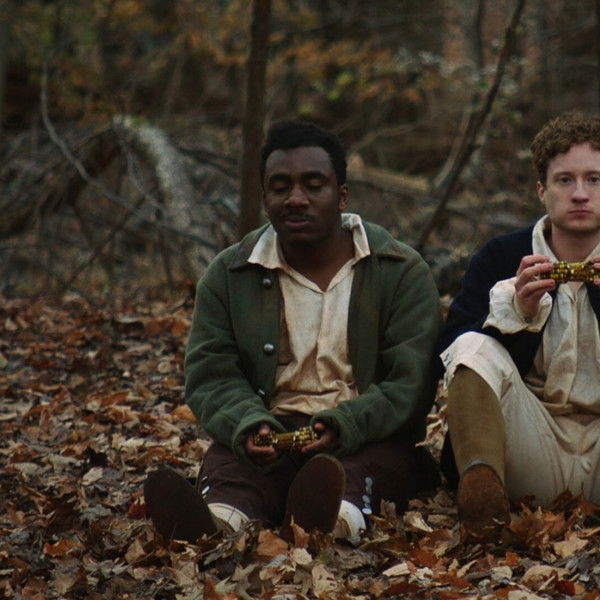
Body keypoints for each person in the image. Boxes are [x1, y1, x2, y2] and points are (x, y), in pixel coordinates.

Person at [144, 119, 442, 544]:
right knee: (233, 476)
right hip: (270, 432)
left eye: (313, 185)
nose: (296, 199)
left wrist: (346, 423)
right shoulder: (229, 273)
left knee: (354, 479)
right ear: (265, 197)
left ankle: (328, 524)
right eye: (280, 187)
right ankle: (214, 527)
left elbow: (410, 383)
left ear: (341, 196)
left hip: (365, 435)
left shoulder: (399, 270)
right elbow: (210, 374)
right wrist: (248, 424)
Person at [439, 111, 600, 542]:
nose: (580, 194)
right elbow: (451, 350)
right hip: (531, 446)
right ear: (542, 191)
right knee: (473, 346)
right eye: (565, 180)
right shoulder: (501, 255)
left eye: (594, 179)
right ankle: (482, 500)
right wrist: (518, 316)